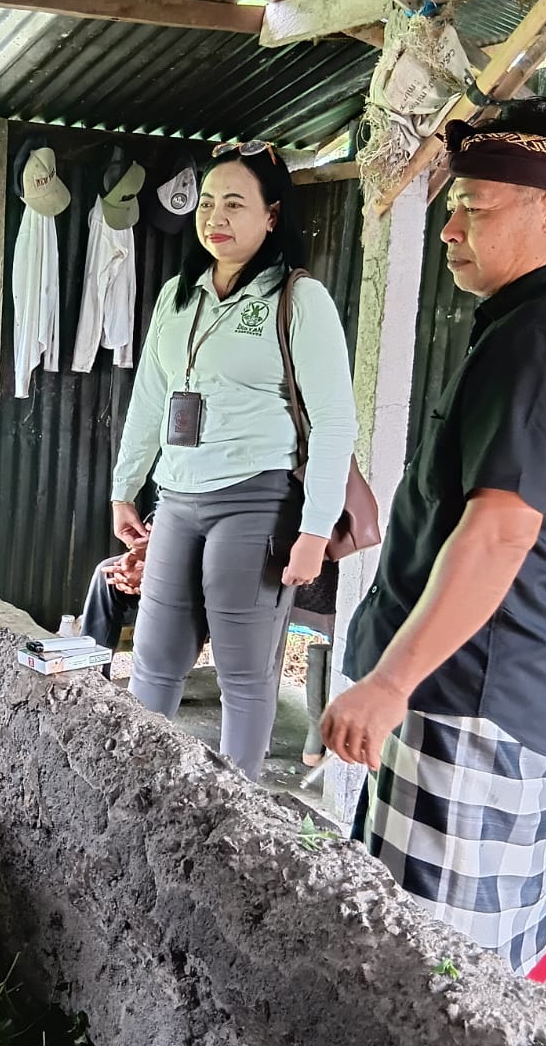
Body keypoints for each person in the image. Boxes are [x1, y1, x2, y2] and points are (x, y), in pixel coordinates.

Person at [321, 97, 546, 984]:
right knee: (484, 953)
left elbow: (499, 532)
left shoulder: (539, 341)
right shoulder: (543, 324)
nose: (450, 228)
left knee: (435, 974)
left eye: (473, 208)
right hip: (499, 687)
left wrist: (390, 683)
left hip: (474, 703)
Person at [109, 142, 357, 781]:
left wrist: (314, 531)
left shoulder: (299, 299)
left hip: (255, 499)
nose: (215, 217)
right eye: (208, 203)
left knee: (243, 673)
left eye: (235, 204)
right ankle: (144, 794)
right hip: (176, 498)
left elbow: (335, 422)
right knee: (155, 660)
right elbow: (151, 397)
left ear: (271, 216)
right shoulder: (178, 295)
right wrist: (124, 487)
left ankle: (235, 807)